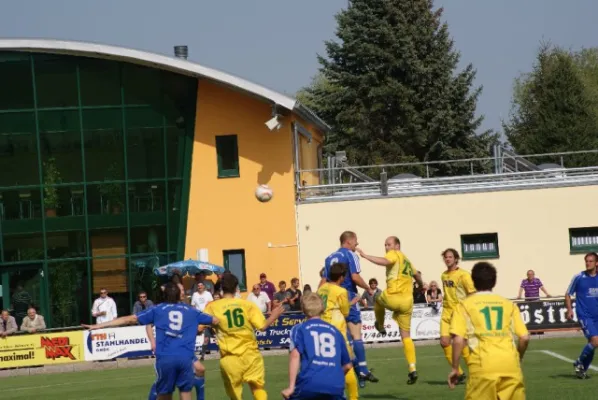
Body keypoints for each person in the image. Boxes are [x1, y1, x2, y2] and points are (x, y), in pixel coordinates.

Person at [82, 283, 218, 400]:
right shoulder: (191, 311)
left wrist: (97, 326)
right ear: (178, 295)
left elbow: (129, 319)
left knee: (164, 394)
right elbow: (215, 320)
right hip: (185, 358)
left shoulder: (157, 309)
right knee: (185, 392)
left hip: (165, 357)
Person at [448, 262, 529, 400]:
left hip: (483, 365)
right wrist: (518, 357)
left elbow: (458, 340)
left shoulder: (464, 305)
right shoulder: (509, 304)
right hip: (510, 364)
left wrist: (455, 368)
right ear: (494, 281)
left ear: (473, 281)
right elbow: (524, 338)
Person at [204, 272, 284, 400]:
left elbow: (199, 328)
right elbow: (262, 326)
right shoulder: (247, 305)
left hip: (230, 358)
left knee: (235, 395)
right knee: (257, 388)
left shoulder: (212, 307)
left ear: (220, 288)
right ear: (236, 288)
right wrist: (274, 315)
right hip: (251, 355)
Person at [357, 236, 422, 384]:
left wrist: (365, 256)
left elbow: (386, 261)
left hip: (394, 297)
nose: (386, 247)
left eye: (389, 244)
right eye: (385, 245)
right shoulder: (407, 260)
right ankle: (412, 368)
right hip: (407, 302)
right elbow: (416, 274)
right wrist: (421, 284)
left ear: (397, 245)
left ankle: (379, 325)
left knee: (378, 298)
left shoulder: (394, 253)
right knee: (406, 336)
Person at [320, 231, 378, 387]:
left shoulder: (329, 258)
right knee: (356, 335)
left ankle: (356, 371)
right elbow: (355, 277)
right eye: (356, 242)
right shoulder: (350, 255)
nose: (356, 245)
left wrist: (317, 297)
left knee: (344, 340)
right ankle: (363, 370)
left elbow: (324, 281)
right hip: (348, 297)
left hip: (333, 302)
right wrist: (368, 289)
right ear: (349, 241)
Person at [281, 293, 353, 400]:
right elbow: (347, 365)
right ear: (322, 308)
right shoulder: (335, 332)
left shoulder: (299, 329)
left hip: (309, 383)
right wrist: (331, 376)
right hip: (336, 385)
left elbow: (295, 356)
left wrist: (291, 387)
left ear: (303, 309)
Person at [317, 263, 360, 400]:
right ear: (341, 277)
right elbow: (345, 312)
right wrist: (352, 302)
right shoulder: (341, 291)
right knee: (348, 366)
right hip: (336, 331)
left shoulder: (321, 289)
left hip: (322, 327)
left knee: (325, 365)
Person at [439, 248, 476, 384]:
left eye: (450, 257)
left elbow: (472, 293)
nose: (447, 259)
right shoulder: (443, 275)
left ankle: (474, 372)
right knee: (444, 342)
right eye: (445, 257)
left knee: (462, 343)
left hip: (460, 313)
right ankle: (459, 373)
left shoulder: (464, 275)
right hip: (446, 312)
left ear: (456, 259)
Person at [566, 252, 598, 379]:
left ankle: (582, 370)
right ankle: (579, 362)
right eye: (586, 261)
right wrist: (569, 310)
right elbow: (568, 294)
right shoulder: (579, 277)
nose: (588, 263)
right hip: (584, 315)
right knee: (595, 340)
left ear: (596, 263)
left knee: (592, 343)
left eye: (590, 261)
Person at [191, 282, 215, 361]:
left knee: (207, 337)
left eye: (201, 285)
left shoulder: (208, 294)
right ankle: (190, 352)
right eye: (198, 286)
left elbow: (211, 304)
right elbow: (193, 306)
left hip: (207, 317)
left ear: (204, 287)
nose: (200, 287)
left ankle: (202, 354)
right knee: (194, 334)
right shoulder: (195, 295)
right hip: (198, 318)